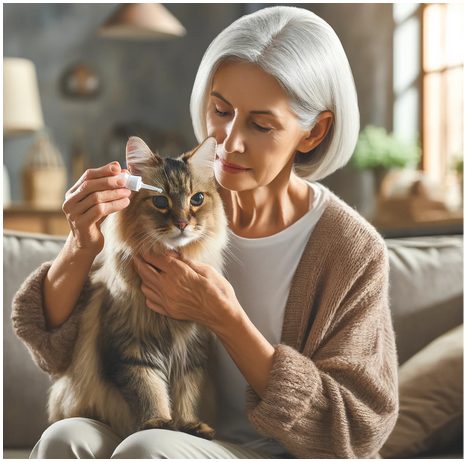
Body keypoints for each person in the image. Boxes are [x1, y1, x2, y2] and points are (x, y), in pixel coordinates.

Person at [12, 5, 398, 459]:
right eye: (221, 110)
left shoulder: (350, 250)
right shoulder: (170, 205)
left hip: (271, 451)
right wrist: (81, 244)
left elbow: (357, 428)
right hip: (152, 426)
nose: (230, 141)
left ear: (313, 133)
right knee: (64, 438)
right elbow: (57, 354)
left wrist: (226, 319)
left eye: (261, 124)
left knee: (148, 449)